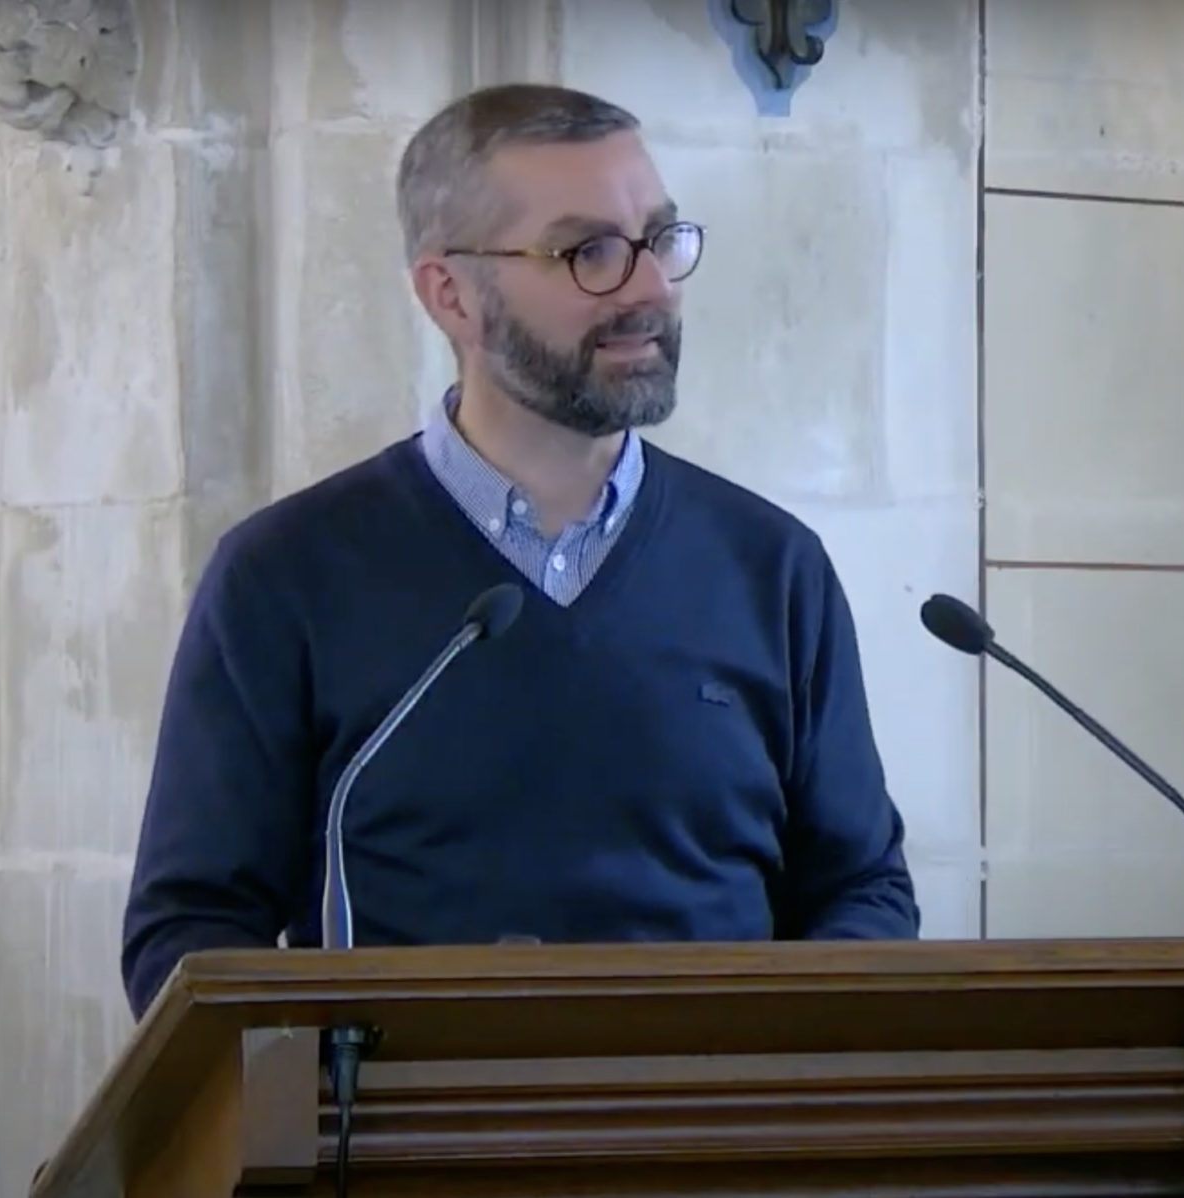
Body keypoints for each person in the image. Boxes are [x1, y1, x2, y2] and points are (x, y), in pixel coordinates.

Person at [118, 83, 920, 1021]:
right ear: (451, 294)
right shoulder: (284, 575)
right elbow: (192, 928)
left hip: (712, 1142)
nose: (651, 287)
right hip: (399, 1152)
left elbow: (863, 892)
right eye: (589, 252)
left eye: (660, 239)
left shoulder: (773, 568)